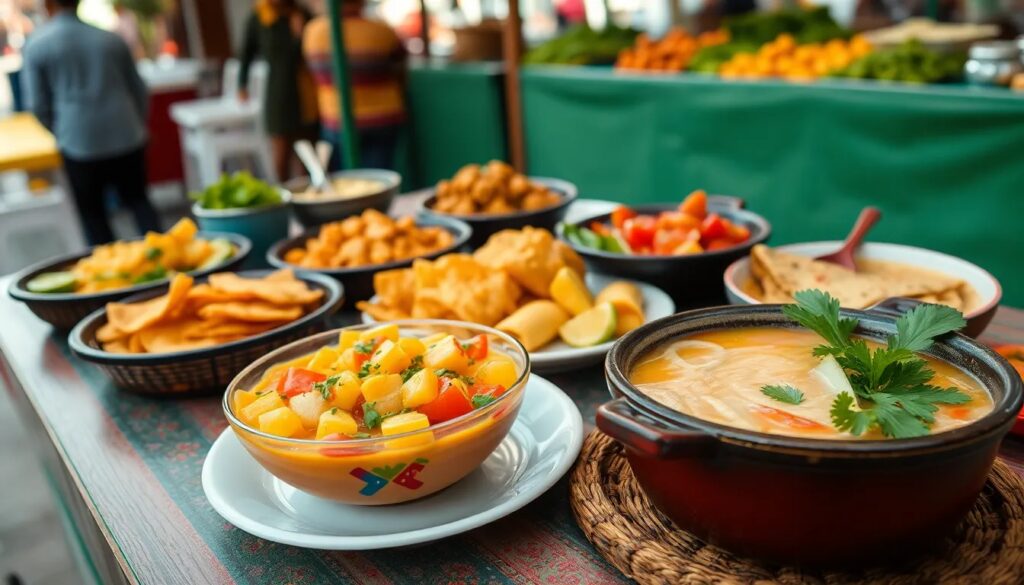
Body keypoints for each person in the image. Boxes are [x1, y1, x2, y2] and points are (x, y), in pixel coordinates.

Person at [21, 0, 160, 246]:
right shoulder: (110, 39)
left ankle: (109, 275)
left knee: (93, 216)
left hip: (78, 140)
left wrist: (61, 130)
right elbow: (138, 88)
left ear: (48, 5)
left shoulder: (37, 45)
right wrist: (138, 123)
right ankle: (168, 262)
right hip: (126, 132)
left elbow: (37, 104)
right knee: (139, 202)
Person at [302, 0, 406, 170]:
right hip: (381, 118)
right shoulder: (381, 30)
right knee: (377, 180)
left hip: (334, 118)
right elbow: (401, 67)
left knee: (345, 182)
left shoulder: (313, 31)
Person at [238, 0, 319, 181]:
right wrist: (241, 85)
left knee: (308, 153)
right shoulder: (260, 17)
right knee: (281, 150)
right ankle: (284, 197)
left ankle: (309, 197)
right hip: (278, 91)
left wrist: (299, 35)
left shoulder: (300, 14)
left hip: (304, 90)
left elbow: (312, 49)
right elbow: (246, 54)